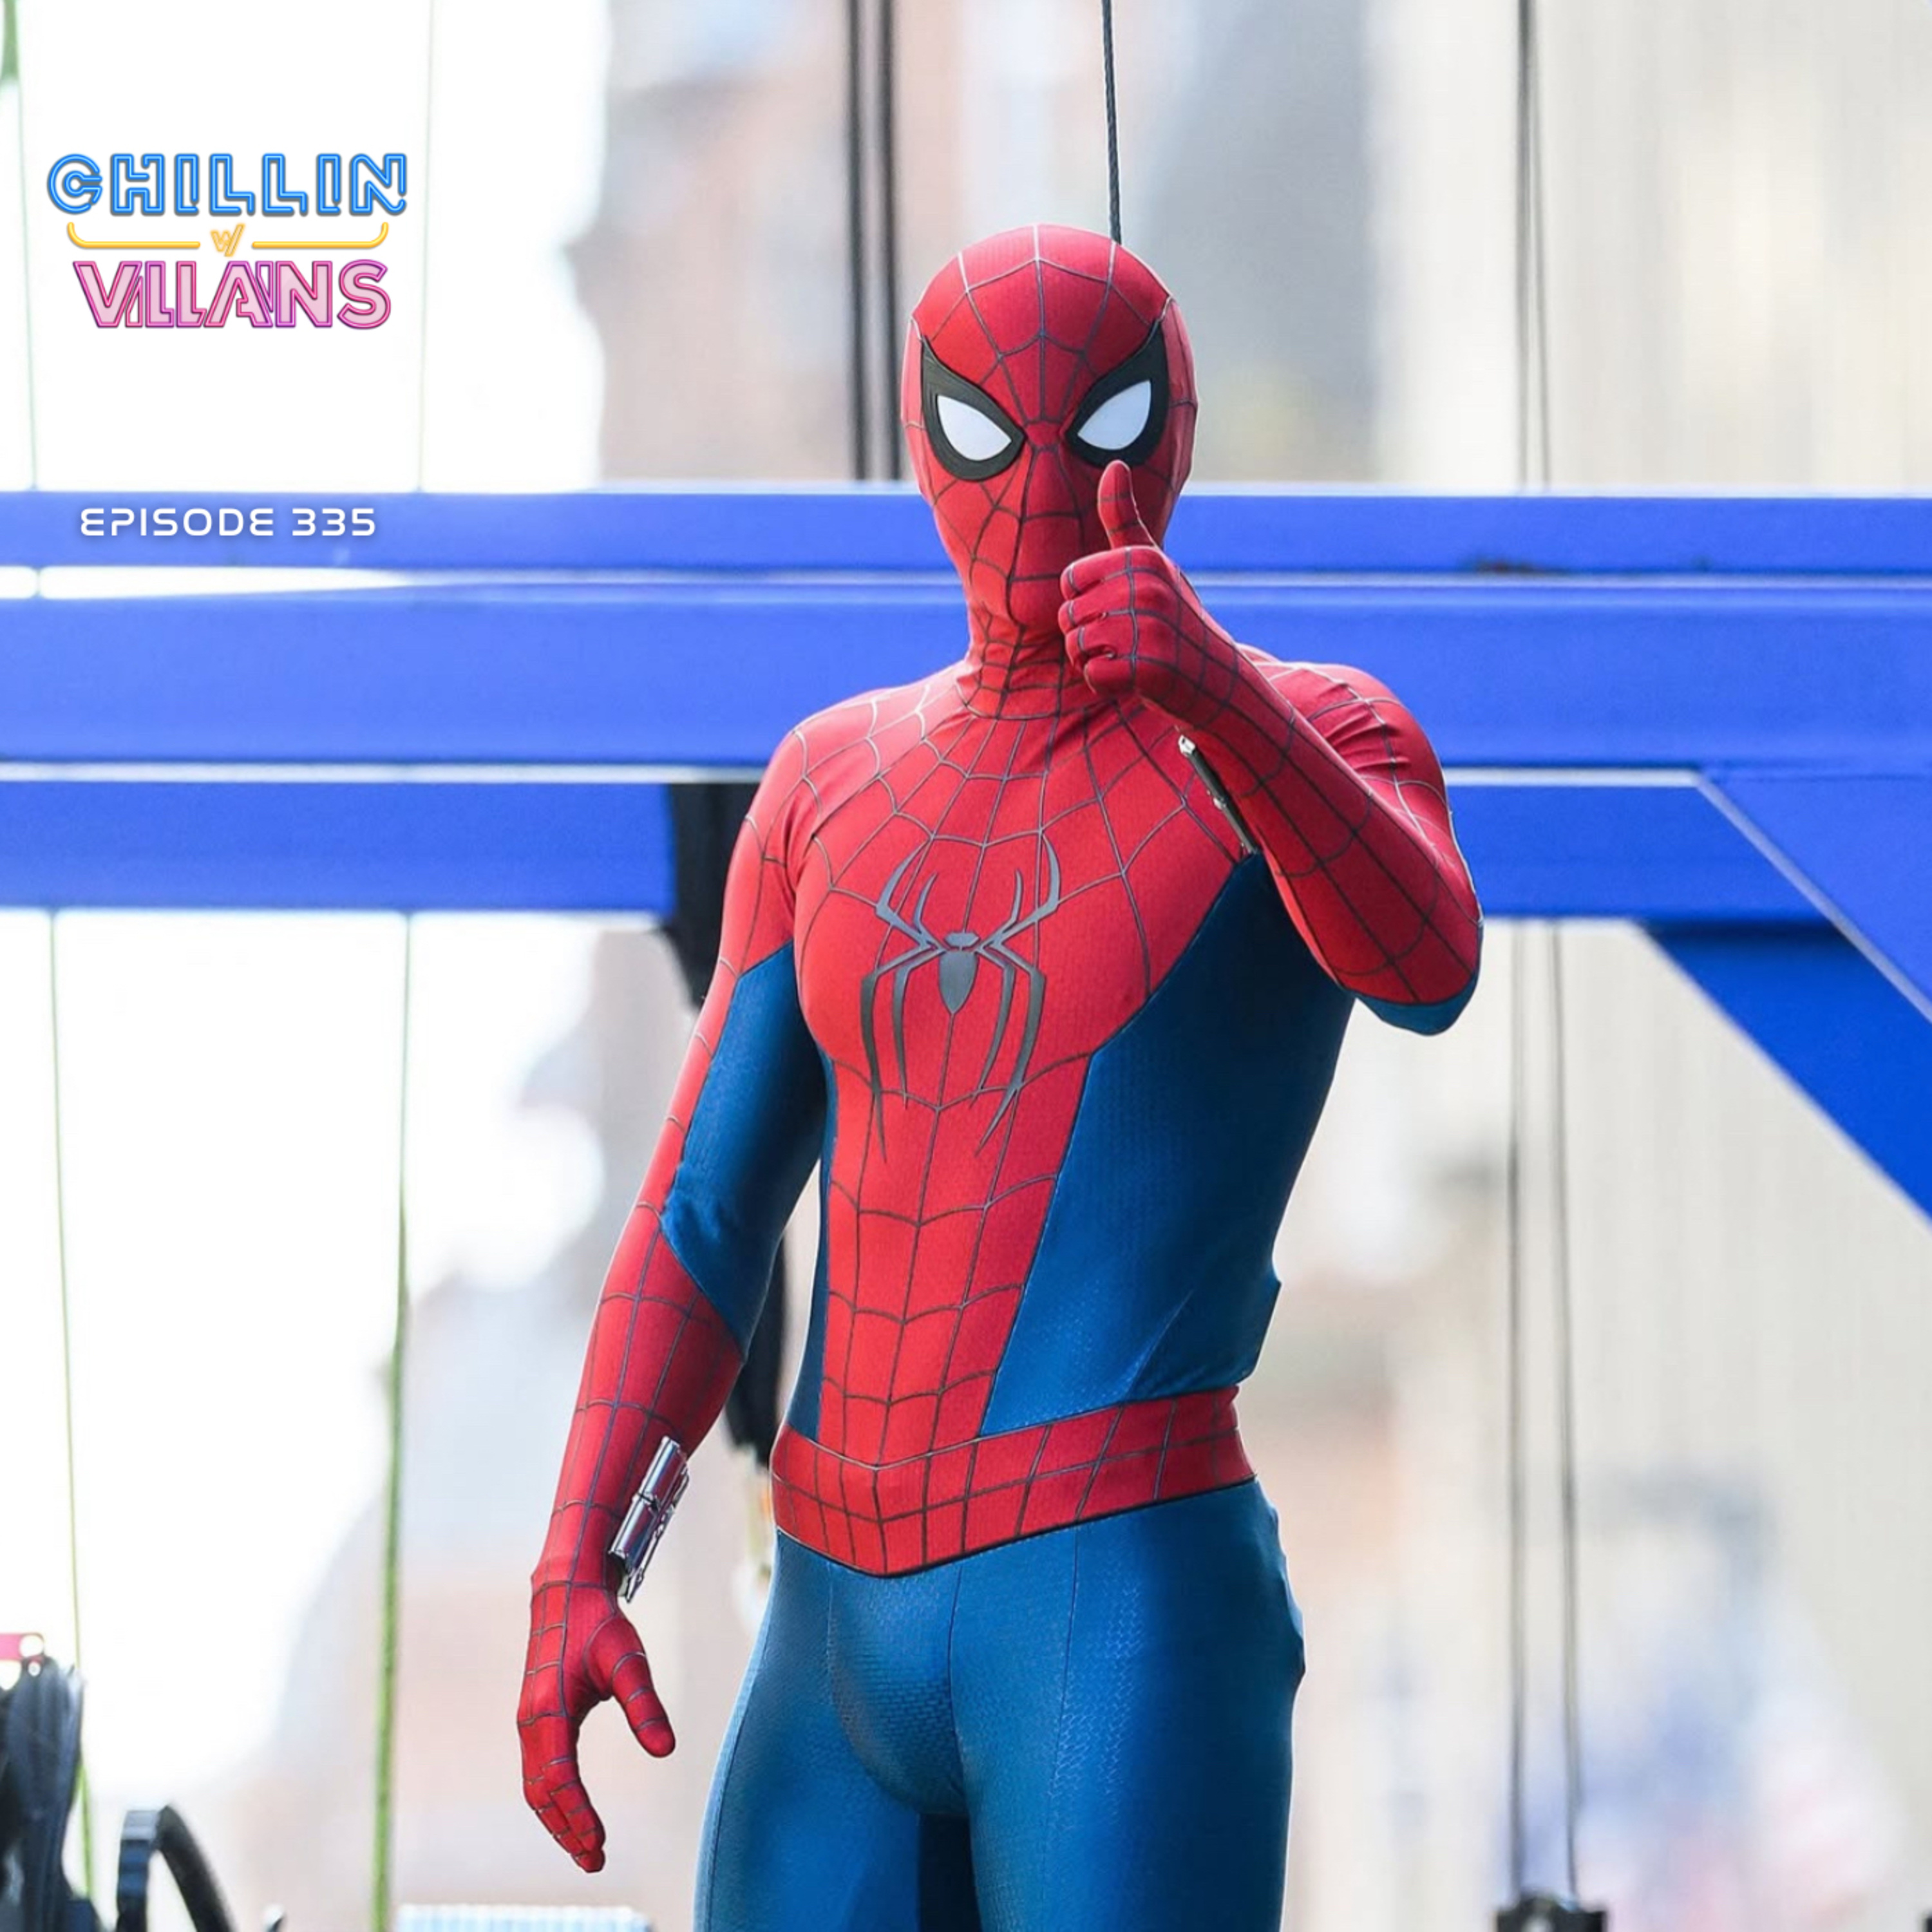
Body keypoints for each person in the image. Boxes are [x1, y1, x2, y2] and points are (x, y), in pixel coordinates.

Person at [518, 223, 1482, 1932]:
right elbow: (707, 1207)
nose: (1039, 484)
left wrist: (1217, 687)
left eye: (1094, 427)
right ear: (923, 437)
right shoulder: (825, 782)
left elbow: (1428, 963)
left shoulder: (1316, 727)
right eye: (987, 430)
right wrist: (581, 1556)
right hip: (832, 1600)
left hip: (1114, 1579)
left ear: (1170, 432)